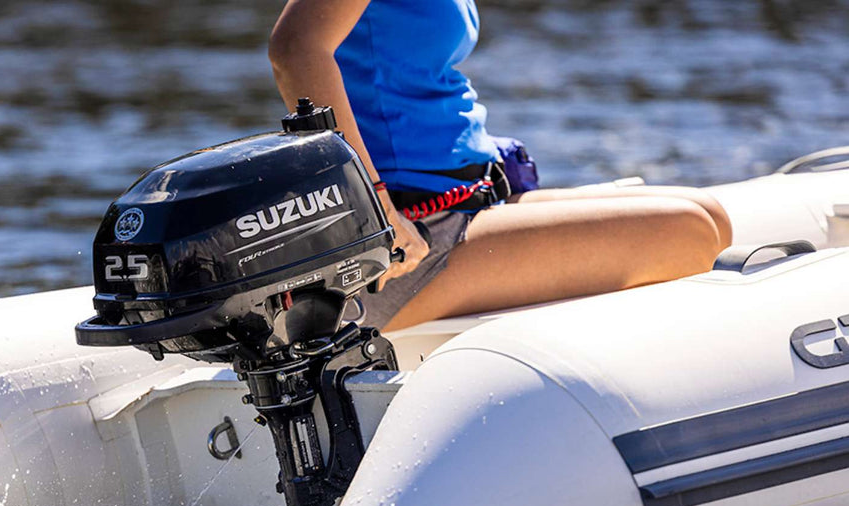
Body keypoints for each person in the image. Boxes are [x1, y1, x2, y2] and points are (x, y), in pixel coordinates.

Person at [268, 0, 733, 331]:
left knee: (709, 215)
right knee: (691, 232)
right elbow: (296, 49)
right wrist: (378, 210)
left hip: (471, 196)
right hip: (413, 238)